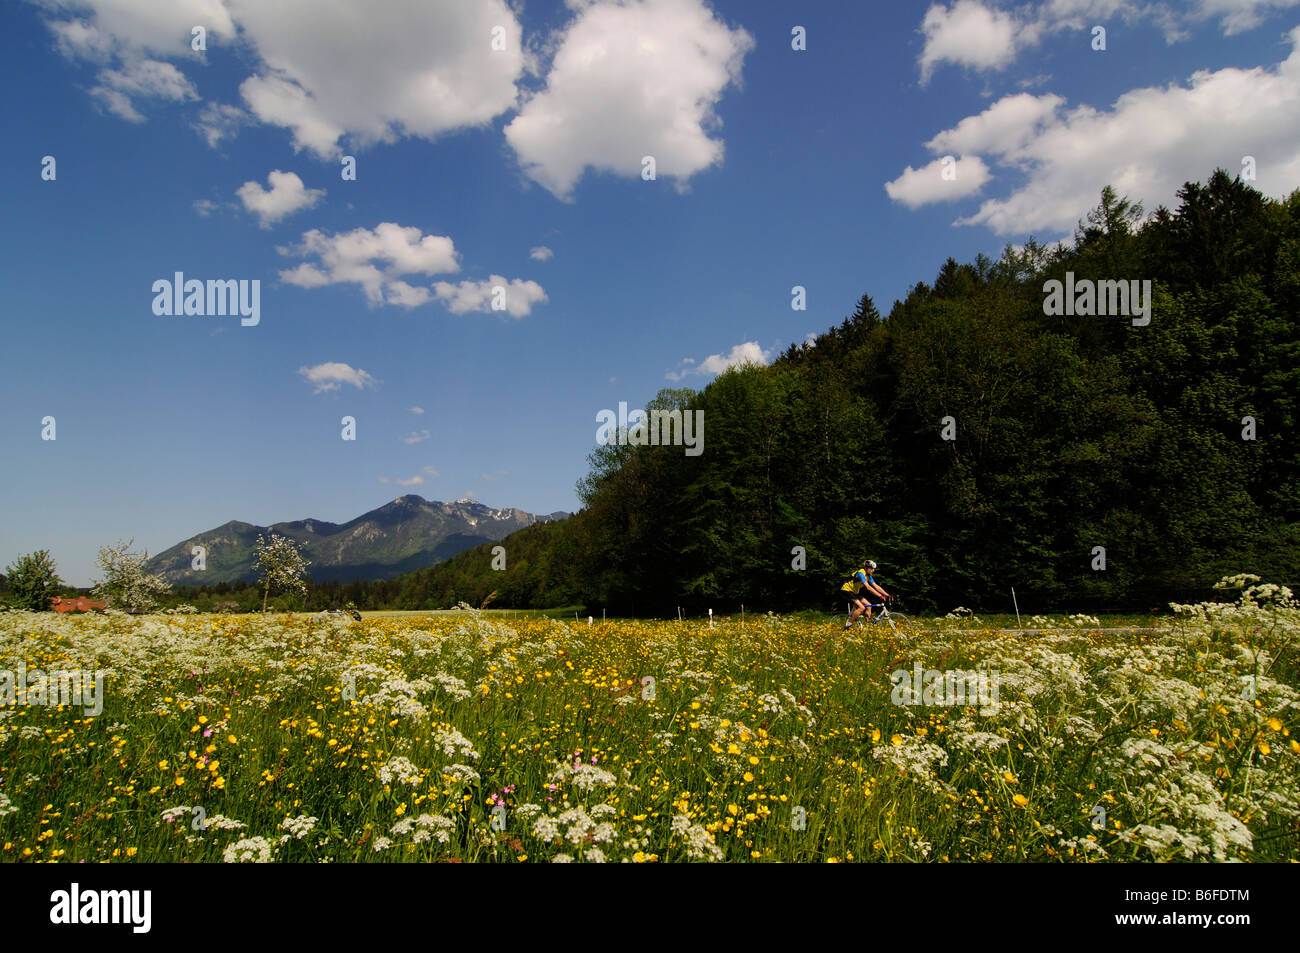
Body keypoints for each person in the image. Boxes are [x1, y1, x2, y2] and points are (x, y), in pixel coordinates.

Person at [838, 560, 891, 629]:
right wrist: (880, 596)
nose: (873, 571)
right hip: (846, 591)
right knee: (862, 607)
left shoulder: (868, 576)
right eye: (871, 569)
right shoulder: (860, 573)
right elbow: (868, 587)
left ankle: (868, 627)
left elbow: (876, 586)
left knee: (869, 606)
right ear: (866, 568)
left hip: (854, 592)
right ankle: (848, 625)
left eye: (874, 569)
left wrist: (888, 595)